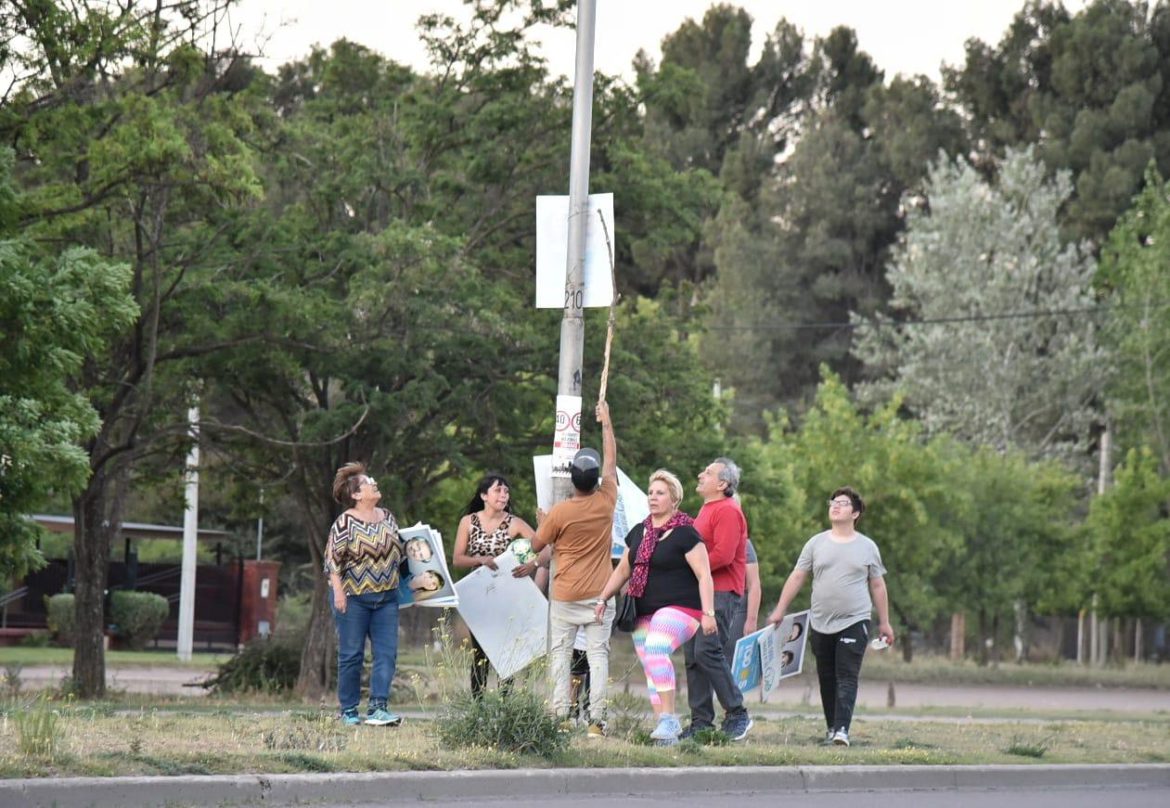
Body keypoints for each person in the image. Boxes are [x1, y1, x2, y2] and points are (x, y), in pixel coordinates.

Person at [594, 469, 717, 745]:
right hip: (643, 610)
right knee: (652, 665)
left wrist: (709, 613)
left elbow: (704, 575)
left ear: (674, 499)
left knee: (656, 648)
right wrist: (603, 598)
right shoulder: (639, 532)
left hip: (683, 609)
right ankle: (666, 732)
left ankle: (669, 718)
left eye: (660, 493)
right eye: (651, 492)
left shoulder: (686, 532)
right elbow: (622, 570)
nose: (653, 497)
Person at [766, 486, 895, 748]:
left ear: (855, 513)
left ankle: (842, 731)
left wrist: (884, 622)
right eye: (832, 502)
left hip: (854, 619)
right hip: (821, 622)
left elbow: (878, 585)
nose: (835, 506)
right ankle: (831, 728)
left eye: (843, 503)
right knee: (826, 675)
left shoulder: (867, 547)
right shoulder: (816, 543)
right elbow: (798, 576)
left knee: (846, 674)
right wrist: (780, 609)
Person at [533, 400, 618, 737]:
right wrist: (607, 423)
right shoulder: (607, 500)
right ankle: (597, 722)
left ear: (571, 479)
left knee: (560, 655)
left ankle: (559, 715)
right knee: (598, 655)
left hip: (566, 596)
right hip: (600, 594)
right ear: (596, 479)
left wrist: (543, 524)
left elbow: (538, 547)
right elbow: (612, 462)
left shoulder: (560, 512)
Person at [324, 462, 404, 727]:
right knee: (351, 654)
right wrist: (338, 594)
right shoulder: (345, 522)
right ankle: (348, 710)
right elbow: (332, 562)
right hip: (353, 598)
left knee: (386, 653)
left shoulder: (388, 516)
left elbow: (401, 556)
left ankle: (378, 708)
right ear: (357, 495)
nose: (374, 484)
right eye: (369, 482)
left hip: (387, 598)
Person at [452, 473, 543, 698]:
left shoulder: (515, 523)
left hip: (506, 594)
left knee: (506, 651)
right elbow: (457, 559)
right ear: (484, 495)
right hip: (478, 595)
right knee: (480, 651)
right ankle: (478, 704)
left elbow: (543, 546)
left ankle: (505, 704)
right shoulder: (468, 522)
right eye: (498, 490)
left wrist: (532, 565)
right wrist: (479, 560)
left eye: (506, 491)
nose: (503, 495)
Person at [682, 457, 753, 741]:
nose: (700, 474)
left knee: (707, 651)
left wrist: (688, 567)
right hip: (700, 591)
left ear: (722, 484)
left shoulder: (727, 511)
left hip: (722, 592)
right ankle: (701, 722)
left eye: (707, 472)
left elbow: (723, 554)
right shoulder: (706, 509)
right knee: (693, 656)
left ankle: (737, 713)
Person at [726, 538, 761, 657]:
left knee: (733, 656)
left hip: (737, 608)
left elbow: (754, 584)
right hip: (706, 608)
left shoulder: (743, 543)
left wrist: (751, 620)